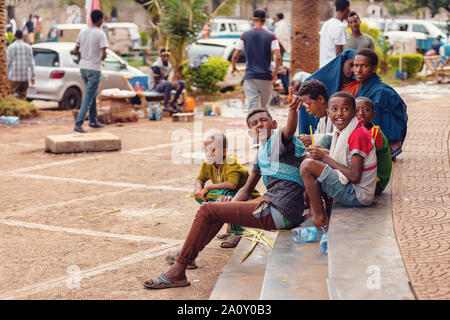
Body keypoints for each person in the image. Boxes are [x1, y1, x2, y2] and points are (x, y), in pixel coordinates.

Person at [143, 99, 309, 289]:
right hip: (272, 206)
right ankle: (186, 259)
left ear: (274, 125)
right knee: (214, 211)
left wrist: (292, 110)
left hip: (282, 213)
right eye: (254, 124)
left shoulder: (280, 142)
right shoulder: (262, 154)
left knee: (208, 210)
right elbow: (245, 189)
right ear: (250, 132)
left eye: (263, 120)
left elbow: (290, 130)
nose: (259, 125)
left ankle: (177, 271)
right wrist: (227, 206)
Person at [300, 92, 377, 243]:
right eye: (334, 109)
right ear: (328, 113)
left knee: (307, 165)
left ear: (354, 113)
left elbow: (355, 176)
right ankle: (320, 212)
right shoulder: (344, 131)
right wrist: (325, 157)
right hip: (351, 187)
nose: (339, 114)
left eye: (345, 109)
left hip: (358, 194)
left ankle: (319, 217)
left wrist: (325, 158)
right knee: (309, 159)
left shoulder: (358, 135)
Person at [193, 132, 261, 249]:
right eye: (206, 150)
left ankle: (238, 233)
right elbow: (199, 179)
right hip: (230, 195)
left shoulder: (230, 161)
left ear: (224, 152)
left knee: (226, 195)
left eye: (213, 150)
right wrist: (199, 189)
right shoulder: (207, 164)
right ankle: (230, 228)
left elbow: (232, 185)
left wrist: (208, 187)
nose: (208, 154)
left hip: (247, 198)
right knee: (201, 195)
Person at [353, 49, 408, 158]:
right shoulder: (363, 88)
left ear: (374, 68)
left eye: (364, 66)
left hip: (383, 148)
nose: (358, 70)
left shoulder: (382, 93)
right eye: (355, 65)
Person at [299, 49, 359, 135]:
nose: (353, 70)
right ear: (342, 61)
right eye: (351, 65)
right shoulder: (323, 77)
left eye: (356, 66)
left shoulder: (357, 85)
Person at [231, 9, 282, 111]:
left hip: (250, 76)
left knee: (252, 105)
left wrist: (234, 67)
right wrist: (275, 74)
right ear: (264, 21)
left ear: (253, 20)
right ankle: (263, 126)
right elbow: (278, 57)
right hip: (266, 76)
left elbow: (235, 56)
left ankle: (253, 126)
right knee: (264, 107)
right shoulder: (272, 36)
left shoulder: (244, 35)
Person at [72, 9, 108, 133]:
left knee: (92, 94)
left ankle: (93, 120)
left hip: (83, 67)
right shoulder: (100, 34)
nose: (103, 21)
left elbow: (75, 50)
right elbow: (104, 54)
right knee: (88, 96)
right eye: (102, 19)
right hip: (94, 68)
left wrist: (85, 54)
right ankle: (78, 124)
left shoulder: (82, 32)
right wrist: (99, 59)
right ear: (99, 19)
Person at [355, 97, 392, 195]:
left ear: (373, 115)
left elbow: (358, 160)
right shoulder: (359, 131)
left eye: (366, 109)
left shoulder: (374, 133)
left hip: (377, 182)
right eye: (356, 110)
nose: (361, 113)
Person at [297, 80, 335, 147]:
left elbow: (337, 137)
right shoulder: (322, 120)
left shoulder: (337, 116)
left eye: (308, 104)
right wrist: (306, 139)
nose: (307, 110)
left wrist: (312, 138)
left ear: (320, 99)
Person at [148, 48, 185, 113]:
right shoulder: (156, 66)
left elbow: (166, 78)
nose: (166, 58)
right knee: (169, 84)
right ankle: (166, 104)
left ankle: (173, 103)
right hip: (154, 86)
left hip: (164, 85)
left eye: (167, 56)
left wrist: (174, 83)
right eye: (164, 56)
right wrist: (171, 83)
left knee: (182, 83)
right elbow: (157, 81)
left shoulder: (169, 65)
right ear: (160, 56)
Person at [319, 0, 350, 68]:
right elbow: (339, 54)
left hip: (323, 67)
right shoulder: (340, 27)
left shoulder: (326, 24)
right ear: (347, 8)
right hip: (334, 68)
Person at [7, 30, 35, 100]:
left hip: (14, 77)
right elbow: (31, 63)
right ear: (22, 37)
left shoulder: (11, 47)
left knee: (11, 96)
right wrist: (32, 76)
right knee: (23, 96)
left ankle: (14, 110)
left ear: (15, 36)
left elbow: (8, 62)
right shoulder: (28, 47)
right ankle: (21, 109)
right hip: (25, 77)